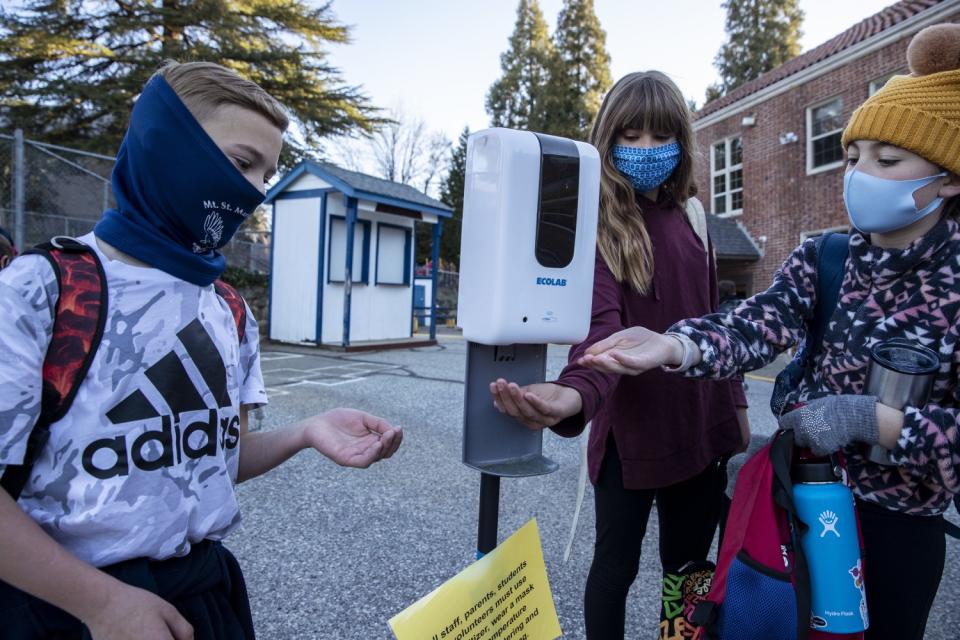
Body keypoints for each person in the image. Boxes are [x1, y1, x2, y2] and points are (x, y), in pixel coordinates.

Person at [578, 25, 960, 640]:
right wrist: (678, 344)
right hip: (800, 505)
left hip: (898, 528)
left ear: (949, 179)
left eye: (886, 161)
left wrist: (874, 420)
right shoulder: (827, 258)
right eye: (854, 156)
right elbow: (757, 322)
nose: (860, 175)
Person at [0, 61, 403, 640]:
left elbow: (213, 462)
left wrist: (306, 431)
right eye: (242, 164)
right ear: (168, 147)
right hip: (62, 607)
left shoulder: (229, 309)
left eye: (266, 175)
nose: (255, 192)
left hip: (206, 596)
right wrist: (101, 604)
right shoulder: (41, 289)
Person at [489, 71, 749, 640]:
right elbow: (599, 330)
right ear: (607, 140)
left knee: (690, 572)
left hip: (702, 429)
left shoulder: (696, 218)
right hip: (628, 439)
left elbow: (716, 326)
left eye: (660, 137)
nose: (646, 151)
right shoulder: (599, 224)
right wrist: (573, 391)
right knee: (615, 568)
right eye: (630, 137)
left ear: (682, 141)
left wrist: (735, 411)